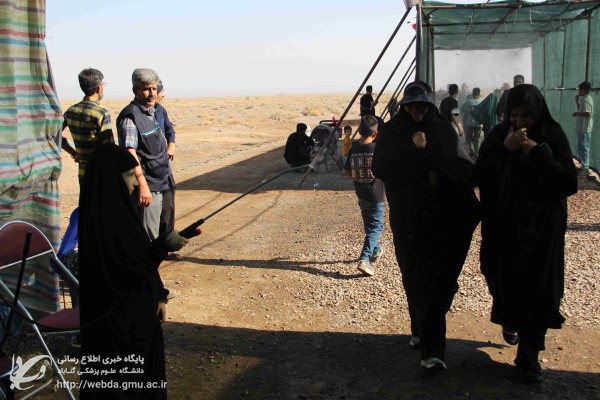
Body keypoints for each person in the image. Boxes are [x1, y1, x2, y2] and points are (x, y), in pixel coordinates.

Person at [371, 81, 479, 370]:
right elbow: (380, 167)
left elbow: (463, 170)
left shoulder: (442, 131)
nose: (417, 111)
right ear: (404, 107)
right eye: (412, 106)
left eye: (422, 106)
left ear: (430, 107)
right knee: (413, 274)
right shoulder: (393, 132)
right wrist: (417, 154)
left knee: (438, 279)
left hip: (442, 219)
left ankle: (432, 348)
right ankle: (420, 328)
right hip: (408, 218)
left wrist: (437, 171)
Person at [475, 84, 577, 383]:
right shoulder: (499, 136)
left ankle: (529, 356)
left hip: (542, 231)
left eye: (526, 116)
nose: (519, 123)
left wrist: (538, 152)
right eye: (514, 115)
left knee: (539, 288)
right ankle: (509, 320)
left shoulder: (551, 136)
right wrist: (505, 150)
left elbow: (568, 182)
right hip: (504, 228)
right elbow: (478, 175)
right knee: (501, 279)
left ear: (538, 114)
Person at [78, 144, 189, 399]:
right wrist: (163, 245)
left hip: (136, 319)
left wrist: (159, 295)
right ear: (112, 178)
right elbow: (127, 269)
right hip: (119, 330)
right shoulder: (106, 220)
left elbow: (138, 261)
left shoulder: (118, 212)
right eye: (129, 176)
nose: (134, 184)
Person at [117, 68, 174, 241]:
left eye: (154, 89)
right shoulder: (131, 117)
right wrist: (142, 186)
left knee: (164, 226)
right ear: (135, 90)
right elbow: (130, 154)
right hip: (148, 183)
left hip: (162, 178)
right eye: (146, 89)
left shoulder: (153, 112)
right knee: (149, 236)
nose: (151, 94)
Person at [343, 116, 385, 277]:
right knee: (376, 227)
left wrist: (359, 176)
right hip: (375, 194)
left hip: (360, 193)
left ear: (359, 131)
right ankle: (365, 259)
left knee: (369, 225)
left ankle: (376, 250)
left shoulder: (353, 149)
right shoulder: (377, 149)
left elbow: (346, 172)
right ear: (375, 134)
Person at [61, 68, 114, 186]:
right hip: (101, 175)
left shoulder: (71, 111)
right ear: (99, 88)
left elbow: (55, 134)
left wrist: (73, 153)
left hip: (83, 174)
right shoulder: (101, 113)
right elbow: (109, 149)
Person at [155, 80, 180, 262]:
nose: (163, 95)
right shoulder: (134, 115)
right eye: (161, 91)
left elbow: (170, 130)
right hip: (148, 174)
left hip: (164, 168)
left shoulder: (160, 111)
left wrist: (171, 145)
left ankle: (167, 248)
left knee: (168, 208)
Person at [573, 81, 594, 176]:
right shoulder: (583, 99)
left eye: (579, 90)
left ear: (583, 90)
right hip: (582, 127)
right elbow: (581, 110)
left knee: (584, 147)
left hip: (585, 127)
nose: (578, 91)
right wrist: (577, 101)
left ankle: (585, 168)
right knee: (581, 146)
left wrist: (577, 113)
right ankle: (583, 166)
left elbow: (588, 113)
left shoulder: (587, 99)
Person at [461, 87, 483, 160]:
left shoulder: (468, 102)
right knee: (478, 138)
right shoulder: (482, 102)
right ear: (479, 94)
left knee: (469, 137)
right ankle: (476, 153)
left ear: (472, 94)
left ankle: (472, 151)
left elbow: (463, 110)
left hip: (469, 122)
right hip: (479, 123)